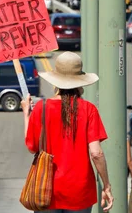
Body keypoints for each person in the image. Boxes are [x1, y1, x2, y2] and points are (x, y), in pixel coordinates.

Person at [22, 52, 113, 213]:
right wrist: (106, 184)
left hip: (46, 188)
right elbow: (96, 153)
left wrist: (26, 115)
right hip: (80, 191)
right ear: (80, 81)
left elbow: (32, 147)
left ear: (55, 81)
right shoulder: (88, 109)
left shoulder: (41, 108)